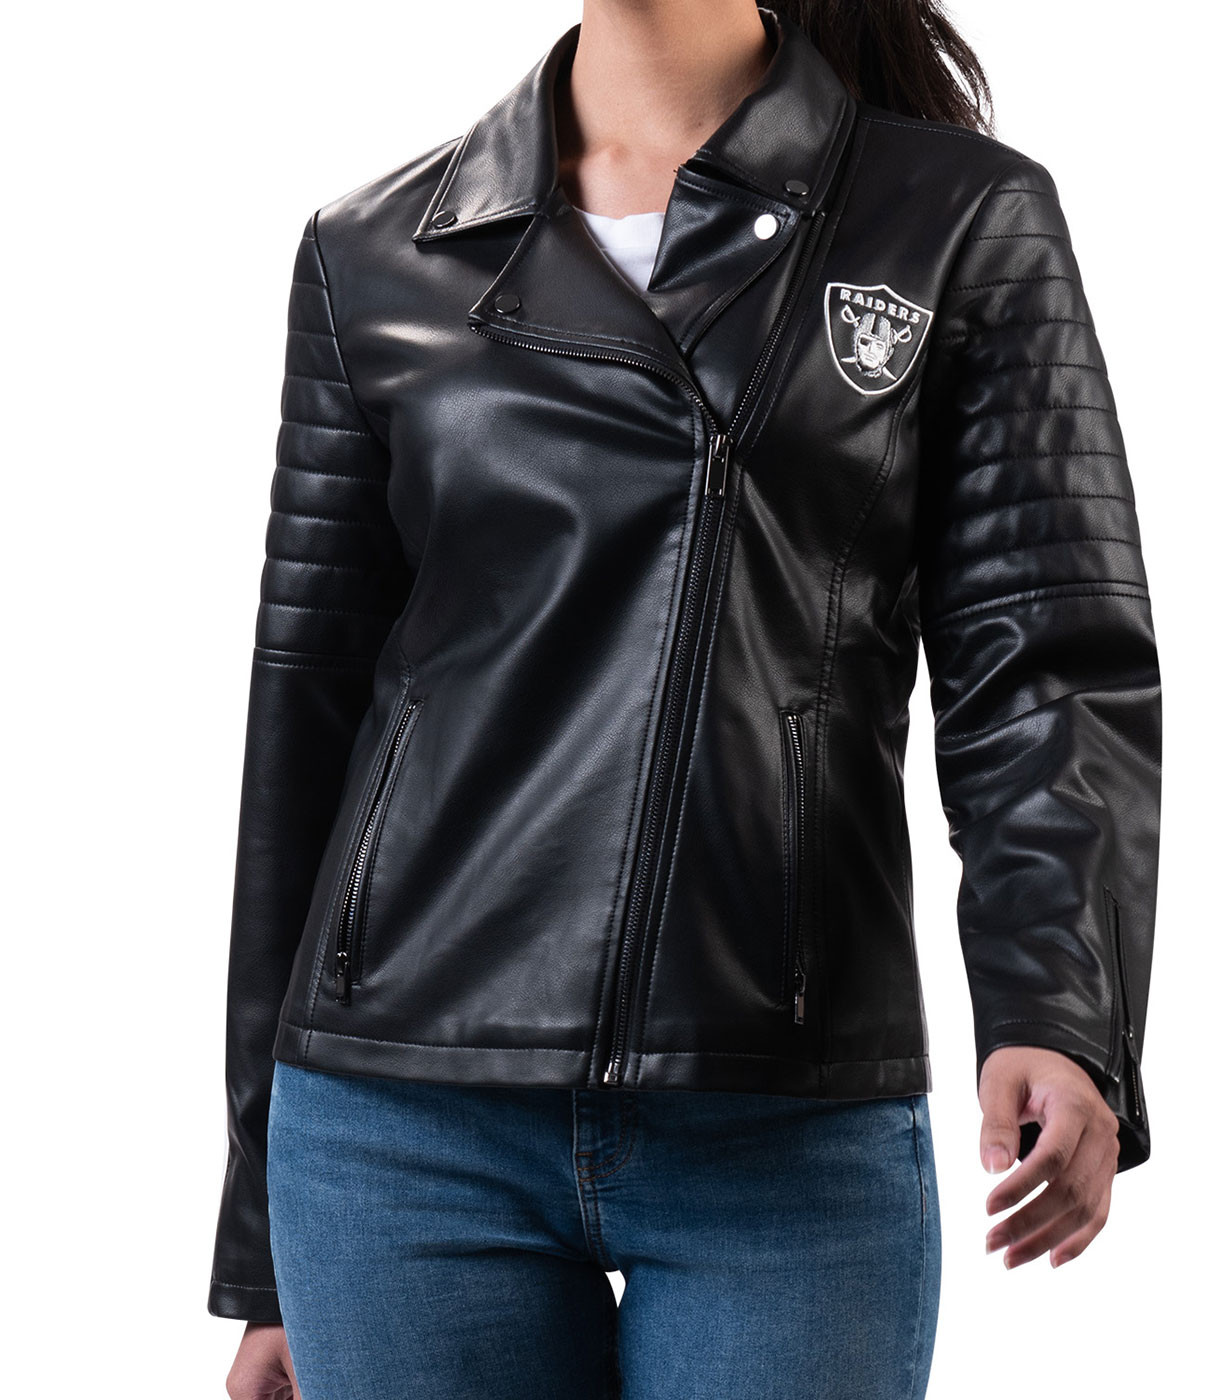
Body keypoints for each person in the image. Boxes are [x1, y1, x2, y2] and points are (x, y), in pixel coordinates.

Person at [211, 3, 1162, 1397]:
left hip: (783, 1117)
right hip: (397, 1125)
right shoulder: (375, 249)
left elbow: (1045, 657)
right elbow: (304, 725)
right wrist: (262, 1249)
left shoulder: (958, 220)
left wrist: (1060, 1006)